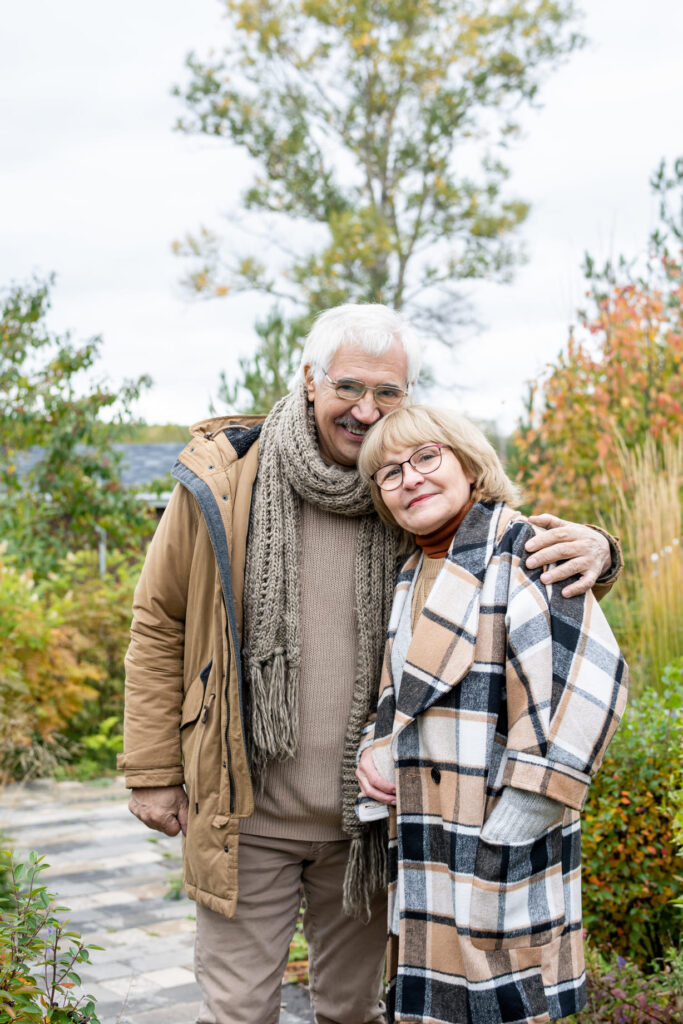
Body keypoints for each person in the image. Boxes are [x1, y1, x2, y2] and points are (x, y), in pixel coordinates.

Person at [118, 303, 621, 1024]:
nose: (365, 409)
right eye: (349, 387)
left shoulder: (408, 493)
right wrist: (154, 768)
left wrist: (600, 550)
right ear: (309, 381)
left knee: (352, 1012)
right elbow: (160, 619)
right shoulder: (226, 478)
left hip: (377, 825)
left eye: (387, 393)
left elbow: (509, 558)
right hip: (245, 809)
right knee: (236, 1010)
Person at [355, 404, 628, 1024]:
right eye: (391, 473)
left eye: (427, 457)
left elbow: (587, 678)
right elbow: (401, 692)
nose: (411, 478)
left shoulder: (523, 549)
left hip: (500, 827)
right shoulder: (410, 573)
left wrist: (530, 804)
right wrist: (378, 746)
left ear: (470, 465)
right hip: (429, 829)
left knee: (503, 998)